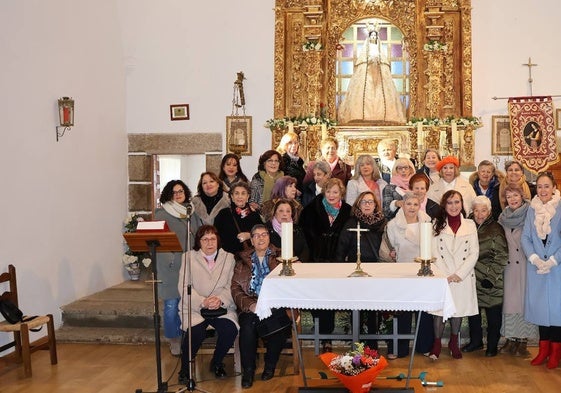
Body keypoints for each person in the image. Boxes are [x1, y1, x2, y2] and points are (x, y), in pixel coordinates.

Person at [177, 225, 238, 384]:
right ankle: (184, 370)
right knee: (195, 333)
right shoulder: (188, 257)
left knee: (229, 330)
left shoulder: (229, 258)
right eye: (205, 239)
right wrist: (202, 301)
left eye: (212, 238)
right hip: (195, 307)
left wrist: (220, 299)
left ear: (218, 240)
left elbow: (231, 285)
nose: (209, 243)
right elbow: (184, 286)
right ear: (199, 241)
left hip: (221, 306)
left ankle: (217, 362)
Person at [231, 224, 290, 388]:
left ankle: (270, 365)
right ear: (251, 239)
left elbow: (291, 284)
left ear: (269, 237)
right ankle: (248, 371)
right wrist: (250, 305)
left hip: (276, 303)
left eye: (264, 234)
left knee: (278, 326)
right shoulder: (242, 259)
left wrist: (272, 303)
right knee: (248, 327)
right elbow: (235, 288)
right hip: (251, 303)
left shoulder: (282, 256)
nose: (260, 238)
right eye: (256, 235)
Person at [300, 178, 352, 352]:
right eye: (328, 191)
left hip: (339, 261)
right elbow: (305, 234)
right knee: (321, 299)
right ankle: (325, 338)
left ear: (341, 193)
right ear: (324, 192)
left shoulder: (348, 211)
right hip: (316, 260)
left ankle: (328, 335)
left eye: (335, 192)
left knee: (332, 298)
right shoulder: (311, 210)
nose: (331, 195)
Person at [429, 190, 479, 361]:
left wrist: (459, 274)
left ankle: (453, 343)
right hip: (442, 275)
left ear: (462, 204)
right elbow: (433, 251)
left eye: (457, 202)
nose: (454, 206)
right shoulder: (436, 223)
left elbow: (474, 253)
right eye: (450, 203)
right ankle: (436, 344)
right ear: (444, 205)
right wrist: (444, 275)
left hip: (462, 276)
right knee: (439, 312)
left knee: (457, 311)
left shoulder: (470, 225)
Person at [335, 191, 387, 351]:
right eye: (364, 202)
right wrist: (339, 268)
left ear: (375, 205)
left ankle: (372, 345)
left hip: (376, 270)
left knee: (373, 309)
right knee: (356, 308)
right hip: (354, 270)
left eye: (370, 202)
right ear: (358, 204)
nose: (367, 205)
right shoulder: (351, 223)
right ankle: (356, 343)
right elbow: (341, 247)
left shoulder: (383, 223)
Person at [521, 172, 561, 369]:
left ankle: (555, 353)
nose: (543, 190)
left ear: (554, 187)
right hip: (536, 267)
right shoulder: (532, 209)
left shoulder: (560, 207)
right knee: (540, 310)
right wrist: (534, 258)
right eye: (540, 186)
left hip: (557, 268)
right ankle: (543, 350)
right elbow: (525, 237)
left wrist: (554, 260)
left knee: (556, 311)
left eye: (547, 186)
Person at [386, 192, 432, 358]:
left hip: (423, 269)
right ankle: (398, 348)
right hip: (402, 271)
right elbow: (391, 246)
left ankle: (424, 345)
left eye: (415, 204)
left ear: (419, 205)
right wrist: (392, 253)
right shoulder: (392, 225)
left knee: (424, 310)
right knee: (401, 311)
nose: (412, 207)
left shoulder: (427, 222)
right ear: (402, 205)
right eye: (408, 204)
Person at [461, 196, 507, 357]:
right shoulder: (467, 226)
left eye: (483, 210)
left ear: (489, 211)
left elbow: (501, 256)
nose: (480, 214)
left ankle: (492, 345)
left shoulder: (496, 228)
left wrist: (491, 277)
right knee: (474, 314)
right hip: (471, 278)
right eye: (476, 210)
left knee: (493, 317)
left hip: (490, 281)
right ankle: (476, 341)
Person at [154, 180, 195, 356]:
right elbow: (156, 242)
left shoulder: (192, 212)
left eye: (180, 191)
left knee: (188, 304)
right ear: (168, 196)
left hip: (191, 264)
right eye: (173, 192)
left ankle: (189, 336)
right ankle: (174, 340)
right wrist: (171, 259)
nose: (178, 194)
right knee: (171, 304)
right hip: (170, 265)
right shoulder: (162, 214)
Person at [497, 185, 538, 356]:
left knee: (523, 303)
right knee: (510, 304)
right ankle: (511, 338)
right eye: (508, 196)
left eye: (515, 195)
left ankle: (523, 341)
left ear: (522, 196)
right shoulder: (503, 216)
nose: (512, 199)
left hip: (526, 265)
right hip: (509, 267)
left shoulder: (531, 213)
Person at [337, 23, 406, 125]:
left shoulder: (379, 48)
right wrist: (369, 60)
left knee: (382, 92)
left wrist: (378, 61)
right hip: (367, 73)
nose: (373, 37)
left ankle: (384, 116)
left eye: (375, 35)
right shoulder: (366, 49)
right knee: (363, 92)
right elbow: (363, 59)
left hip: (379, 73)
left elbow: (382, 59)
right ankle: (358, 116)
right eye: (372, 35)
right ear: (369, 37)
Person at [213, 181, 263, 258]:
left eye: (243, 193)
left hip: (250, 257)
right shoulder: (223, 214)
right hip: (228, 257)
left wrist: (250, 235)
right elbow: (215, 235)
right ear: (232, 197)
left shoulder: (254, 215)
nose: (240, 196)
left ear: (248, 196)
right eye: (236, 193)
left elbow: (263, 234)